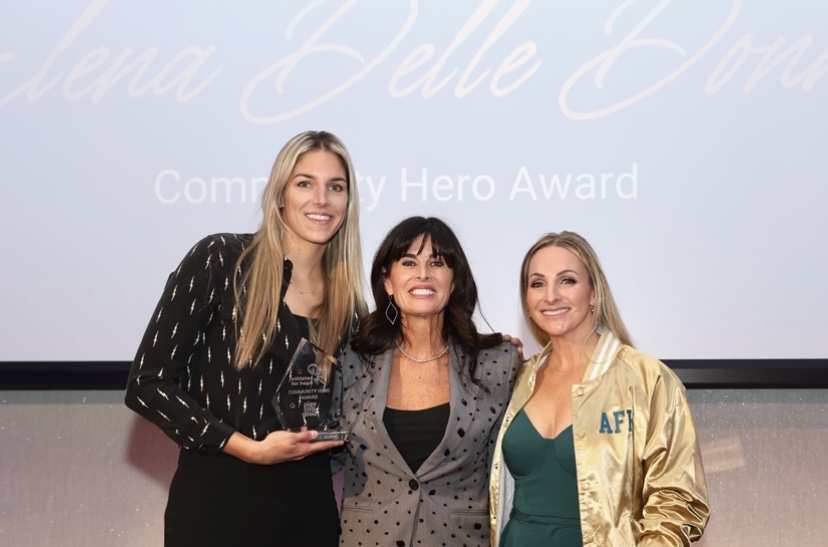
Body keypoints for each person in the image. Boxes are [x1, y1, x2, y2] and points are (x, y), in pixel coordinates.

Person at [124, 130, 367, 547]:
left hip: (309, 507)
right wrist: (249, 449)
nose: (321, 199)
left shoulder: (351, 308)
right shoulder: (220, 260)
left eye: (336, 187)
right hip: (216, 502)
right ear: (279, 195)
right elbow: (147, 386)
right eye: (305, 183)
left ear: (348, 202)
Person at [489, 231, 710, 547]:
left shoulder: (647, 379)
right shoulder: (517, 378)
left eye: (567, 281)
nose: (550, 296)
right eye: (537, 283)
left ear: (594, 292)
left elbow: (678, 500)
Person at [337, 216, 521, 547]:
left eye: (437, 262)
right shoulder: (353, 360)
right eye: (409, 262)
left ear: (454, 282)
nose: (423, 274)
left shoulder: (499, 364)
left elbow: (512, 469)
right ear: (388, 281)